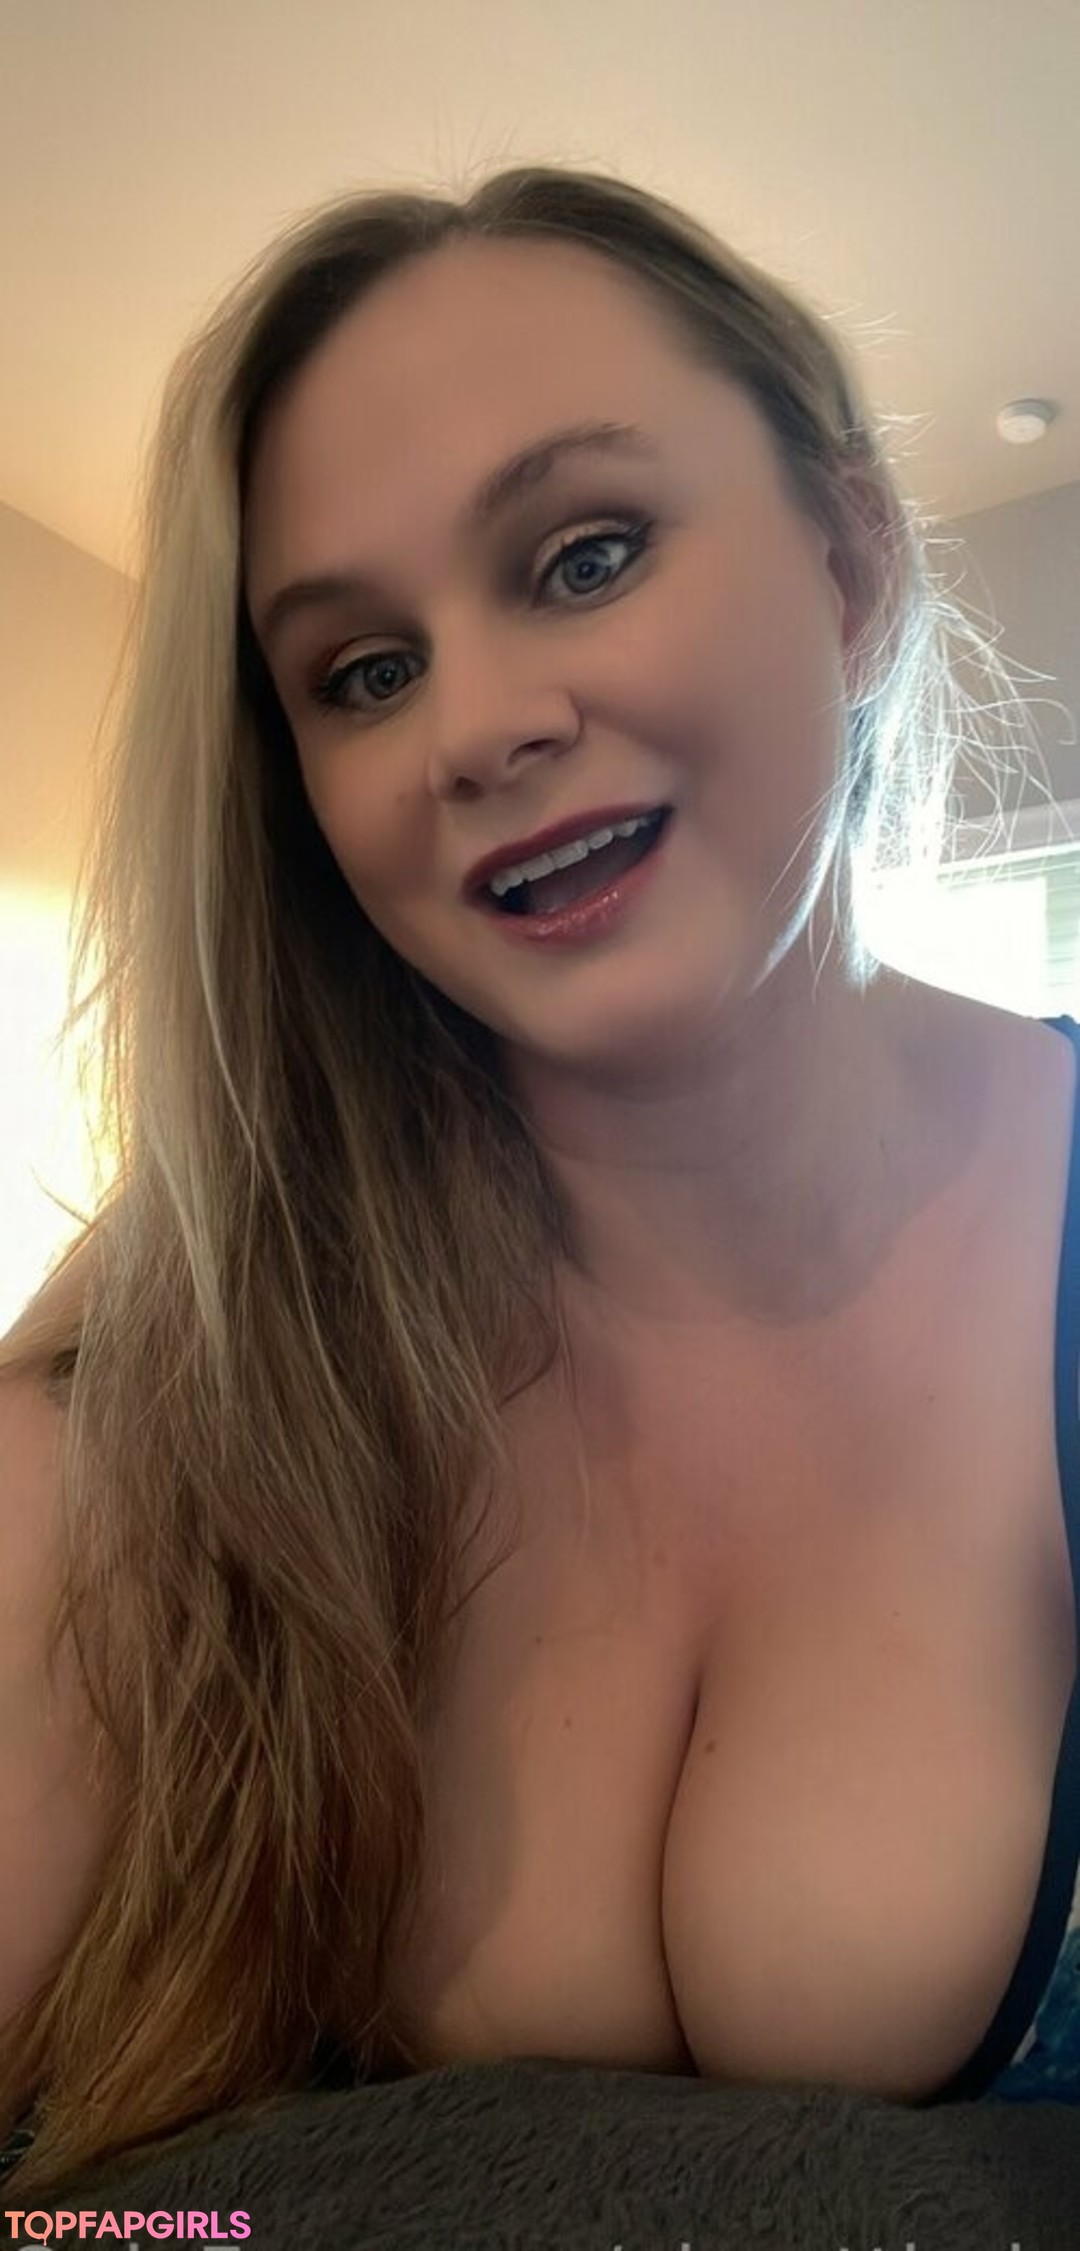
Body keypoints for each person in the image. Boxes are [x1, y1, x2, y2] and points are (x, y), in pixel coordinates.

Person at [1, 161, 1075, 2200]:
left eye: (586, 555)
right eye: (362, 671)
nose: (479, 728)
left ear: (851, 567)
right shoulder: (188, 1358)